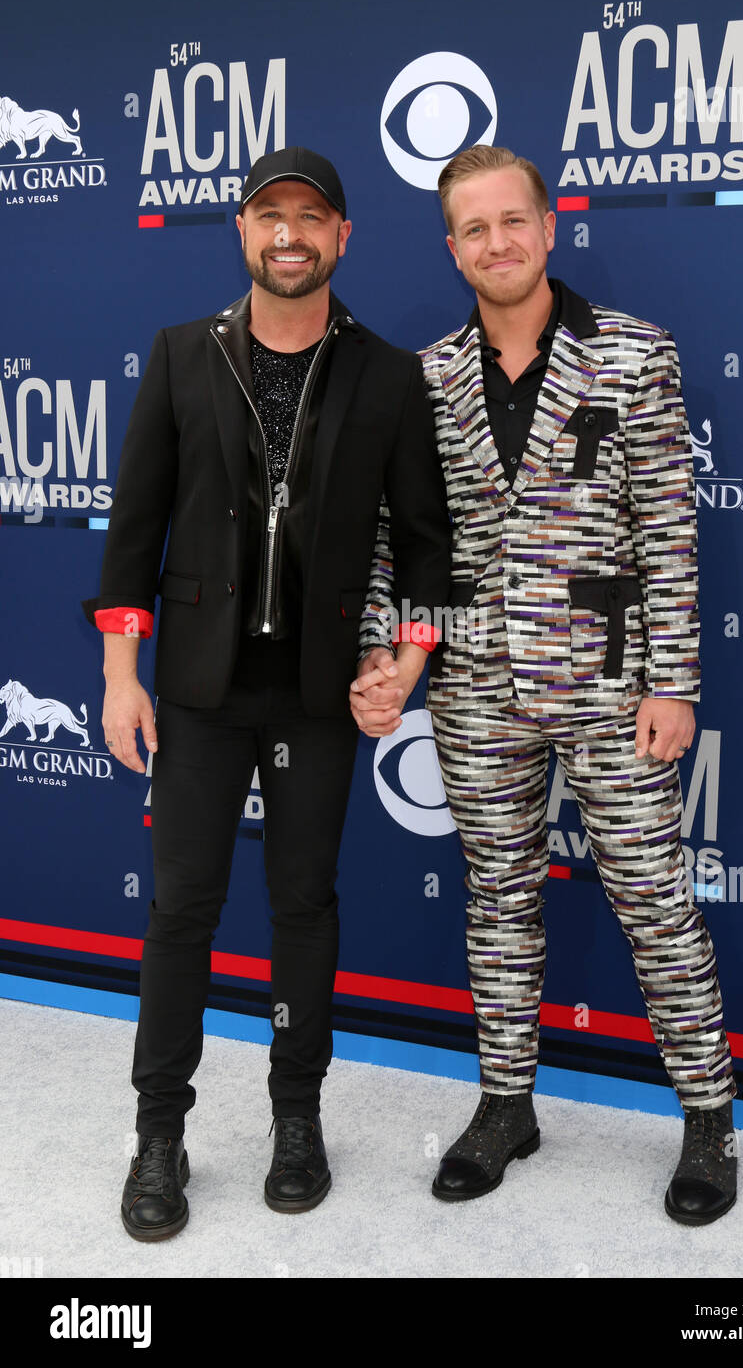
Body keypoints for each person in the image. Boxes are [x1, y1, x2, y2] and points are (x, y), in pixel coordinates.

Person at [351, 145, 738, 1225]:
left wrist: (675, 681)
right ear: (451, 247)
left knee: (652, 898)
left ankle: (707, 1116)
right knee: (498, 901)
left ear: (548, 222)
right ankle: (506, 1103)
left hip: (616, 687)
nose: (495, 242)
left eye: (510, 220)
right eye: (471, 229)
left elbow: (666, 531)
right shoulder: (422, 378)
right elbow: (400, 541)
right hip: (473, 685)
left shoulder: (632, 354)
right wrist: (388, 653)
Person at [83, 146, 450, 1239]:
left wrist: (405, 666)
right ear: (242, 234)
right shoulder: (180, 356)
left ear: (342, 238)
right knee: (181, 908)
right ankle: (159, 1130)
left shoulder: (387, 375)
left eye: (311, 217)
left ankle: (298, 1116)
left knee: (302, 907)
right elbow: (132, 533)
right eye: (267, 215)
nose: (288, 234)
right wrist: (119, 676)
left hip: (316, 697)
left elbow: (430, 551)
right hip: (195, 692)